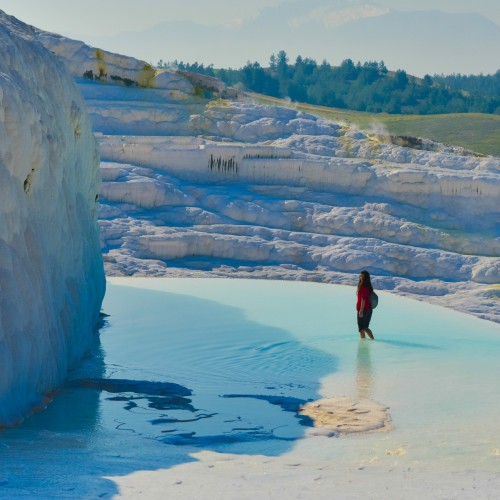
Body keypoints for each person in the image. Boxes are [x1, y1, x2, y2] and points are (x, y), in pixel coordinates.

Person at [356, 270, 375, 340]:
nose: (360, 277)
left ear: (365, 278)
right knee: (365, 327)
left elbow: (363, 300)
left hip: (363, 310)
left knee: (361, 329)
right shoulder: (369, 287)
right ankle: (373, 340)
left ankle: (363, 344)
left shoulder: (363, 287)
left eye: (361, 276)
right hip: (369, 309)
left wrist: (361, 311)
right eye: (360, 276)